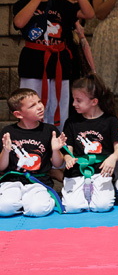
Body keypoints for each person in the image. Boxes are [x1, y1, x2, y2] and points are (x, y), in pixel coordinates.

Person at [13, 0, 95, 127]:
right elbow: (19, 23)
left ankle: (58, 140)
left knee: (59, 103)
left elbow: (89, 14)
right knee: (30, 104)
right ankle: (31, 135)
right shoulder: (22, 4)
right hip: (33, 62)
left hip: (59, 61)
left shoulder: (62, 5)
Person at [61, 76, 118, 213]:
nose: (73, 104)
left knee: (102, 207)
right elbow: (68, 149)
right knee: (73, 208)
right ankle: (81, 194)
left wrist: (112, 158)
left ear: (94, 101)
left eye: (78, 100)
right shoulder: (71, 122)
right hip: (77, 170)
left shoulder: (111, 121)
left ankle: (92, 195)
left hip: (101, 170)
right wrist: (68, 158)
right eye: (73, 99)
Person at [0, 89, 64, 217]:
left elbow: (58, 164)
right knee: (3, 209)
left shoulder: (49, 130)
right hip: (12, 182)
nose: (40, 106)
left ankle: (38, 201)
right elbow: (1, 167)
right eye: (32, 105)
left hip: (38, 181)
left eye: (39, 102)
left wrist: (56, 149)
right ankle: (21, 202)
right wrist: (5, 151)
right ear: (18, 114)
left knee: (37, 210)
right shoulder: (8, 131)